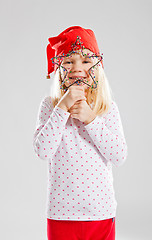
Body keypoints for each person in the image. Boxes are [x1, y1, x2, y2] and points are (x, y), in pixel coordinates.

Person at [33, 26, 128, 240]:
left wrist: (91, 119)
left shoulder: (107, 107)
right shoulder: (49, 106)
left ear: (97, 66)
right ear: (58, 68)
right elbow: (43, 151)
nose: (77, 68)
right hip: (61, 214)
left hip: (100, 212)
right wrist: (61, 109)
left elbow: (119, 155)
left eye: (85, 61)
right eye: (68, 61)